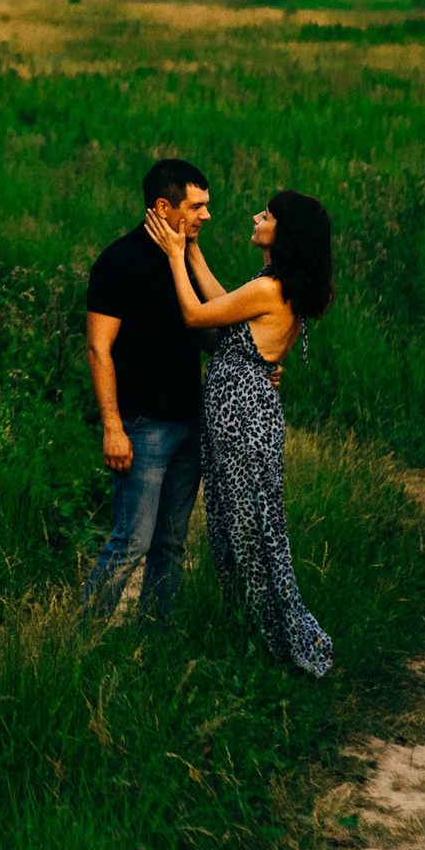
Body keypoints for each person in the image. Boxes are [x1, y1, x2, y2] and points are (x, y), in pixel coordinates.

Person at [143, 189, 335, 679]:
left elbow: (195, 314)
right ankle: (255, 628)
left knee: (249, 527)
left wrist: (173, 256)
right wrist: (191, 248)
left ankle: (272, 635)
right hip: (248, 411)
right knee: (245, 523)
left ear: (283, 232)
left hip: (242, 417)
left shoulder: (270, 289)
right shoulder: (273, 283)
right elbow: (222, 300)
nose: (257, 216)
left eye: (266, 215)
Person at [81, 158, 220, 622]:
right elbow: (99, 349)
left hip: (190, 423)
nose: (205, 215)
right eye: (196, 206)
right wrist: (113, 427)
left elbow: (211, 333)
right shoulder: (118, 262)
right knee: (131, 542)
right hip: (143, 427)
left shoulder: (183, 263)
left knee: (171, 544)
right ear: (164, 206)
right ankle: (83, 637)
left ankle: (156, 639)